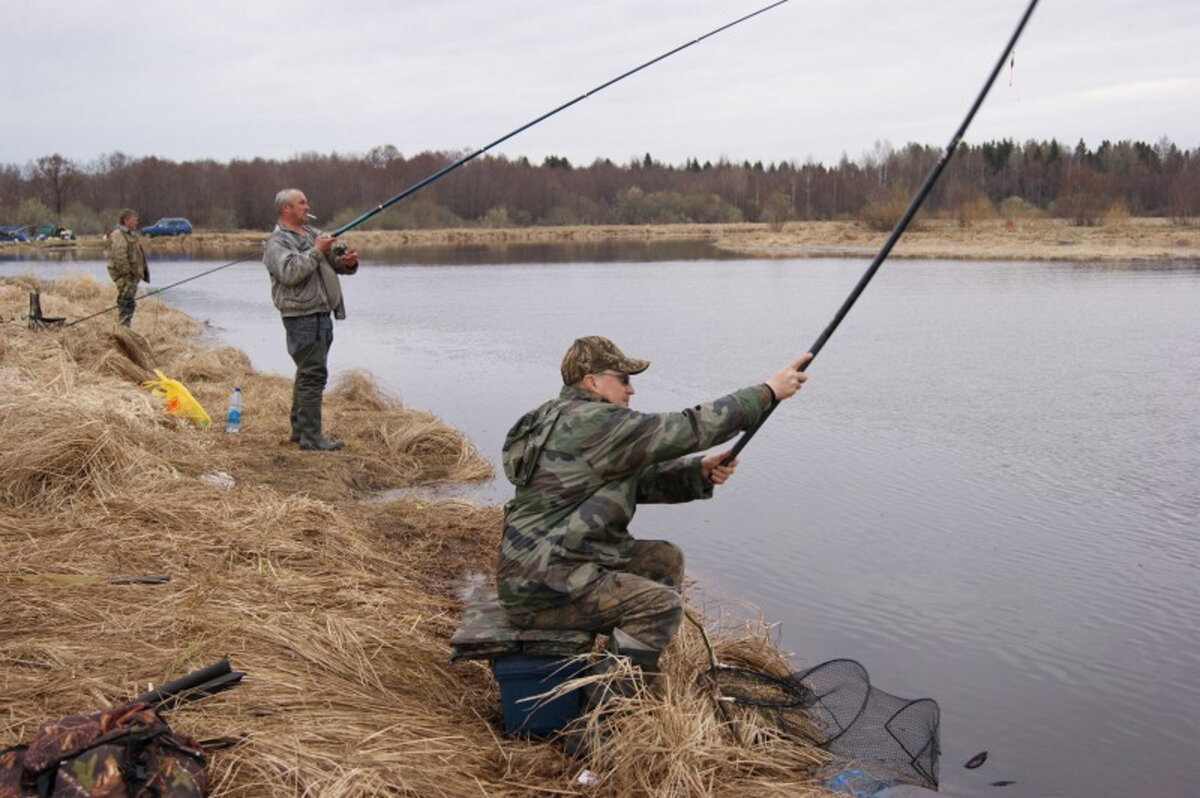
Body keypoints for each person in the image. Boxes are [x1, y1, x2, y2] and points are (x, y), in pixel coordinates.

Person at [497, 335, 812, 679]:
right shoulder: (591, 422)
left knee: (663, 558)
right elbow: (687, 428)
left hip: (545, 568)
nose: (631, 390)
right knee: (660, 605)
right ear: (592, 382)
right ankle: (614, 705)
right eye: (624, 379)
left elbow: (631, 482)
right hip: (545, 590)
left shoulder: (557, 417)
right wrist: (767, 392)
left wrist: (697, 472)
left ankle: (632, 659)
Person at [263, 189, 359, 451]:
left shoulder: (314, 235)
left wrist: (347, 261)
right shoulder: (277, 242)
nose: (307, 206)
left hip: (322, 314)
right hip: (302, 317)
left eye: (306, 201)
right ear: (286, 209)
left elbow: (334, 263)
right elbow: (290, 272)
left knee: (308, 373)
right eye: (301, 203)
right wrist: (317, 251)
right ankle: (311, 437)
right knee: (313, 375)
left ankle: (300, 431)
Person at [106, 209, 149, 326]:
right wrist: (127, 274)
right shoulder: (118, 235)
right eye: (134, 220)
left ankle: (125, 329)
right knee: (126, 302)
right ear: (126, 220)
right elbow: (120, 256)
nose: (136, 222)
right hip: (126, 277)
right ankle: (123, 330)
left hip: (132, 277)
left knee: (129, 303)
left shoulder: (130, 234)